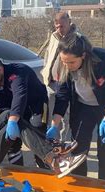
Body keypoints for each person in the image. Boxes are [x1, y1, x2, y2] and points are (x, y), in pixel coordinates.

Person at [46, 33, 105, 181]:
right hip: (84, 107)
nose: (67, 66)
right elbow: (62, 96)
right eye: (64, 61)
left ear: (83, 56)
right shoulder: (65, 66)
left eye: (71, 62)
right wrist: (55, 124)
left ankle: (104, 185)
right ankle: (81, 182)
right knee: (78, 148)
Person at [0, 52, 48, 167]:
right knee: (12, 143)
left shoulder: (18, 72)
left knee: (38, 136)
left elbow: (20, 95)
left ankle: (45, 166)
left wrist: (13, 120)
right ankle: (19, 173)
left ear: (0, 70)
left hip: (36, 106)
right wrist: (12, 123)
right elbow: (3, 109)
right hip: (14, 110)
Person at [42, 11, 78, 141]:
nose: (59, 29)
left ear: (69, 22)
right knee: (51, 115)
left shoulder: (76, 39)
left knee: (66, 116)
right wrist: (46, 70)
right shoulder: (54, 36)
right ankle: (53, 142)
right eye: (57, 26)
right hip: (52, 83)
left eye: (62, 26)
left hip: (67, 83)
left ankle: (63, 142)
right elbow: (48, 55)